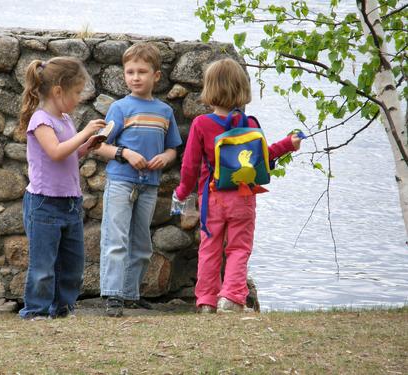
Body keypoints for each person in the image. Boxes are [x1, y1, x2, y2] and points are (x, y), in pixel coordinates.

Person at [173, 58, 302, 314]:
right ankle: (231, 297)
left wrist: (181, 193)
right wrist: (289, 143)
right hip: (243, 196)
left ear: (209, 89)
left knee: (209, 248)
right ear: (242, 89)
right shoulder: (250, 124)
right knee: (239, 247)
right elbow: (264, 157)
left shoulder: (201, 124)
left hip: (212, 199)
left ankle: (207, 301)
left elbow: (190, 166)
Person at [95, 43, 182, 317]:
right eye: (130, 71)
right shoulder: (119, 109)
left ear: (156, 76)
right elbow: (99, 146)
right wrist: (125, 153)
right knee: (116, 239)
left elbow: (172, 148)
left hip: (149, 185)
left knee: (142, 244)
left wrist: (165, 159)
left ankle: (131, 294)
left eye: (142, 72)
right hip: (121, 182)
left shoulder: (164, 112)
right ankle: (113, 295)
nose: (135, 77)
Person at [18, 57, 106, 320]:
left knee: (72, 264)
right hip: (44, 203)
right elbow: (55, 152)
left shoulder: (65, 118)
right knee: (43, 265)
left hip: (70, 202)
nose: (79, 99)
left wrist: (86, 146)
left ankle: (63, 308)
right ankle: (36, 311)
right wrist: (85, 132)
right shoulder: (40, 120)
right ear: (58, 91)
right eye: (77, 93)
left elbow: (68, 153)